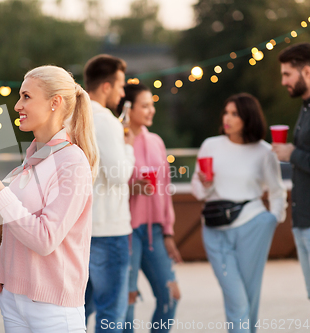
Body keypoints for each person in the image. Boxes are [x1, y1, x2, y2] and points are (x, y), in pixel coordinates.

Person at [0, 65, 97, 332]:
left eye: (26, 97)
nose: (17, 105)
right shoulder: (34, 158)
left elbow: (45, 238)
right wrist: (2, 262)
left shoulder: (72, 162)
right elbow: (20, 218)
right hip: (13, 298)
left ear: (54, 103)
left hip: (53, 308)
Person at [191, 93, 287, 333]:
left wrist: (272, 219)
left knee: (250, 293)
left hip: (253, 226)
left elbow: (277, 191)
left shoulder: (264, 152)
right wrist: (205, 183)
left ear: (248, 118)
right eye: (226, 112)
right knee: (237, 297)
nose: (227, 118)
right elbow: (198, 191)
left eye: (234, 114)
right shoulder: (210, 145)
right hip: (214, 229)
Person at [115, 83, 181, 333]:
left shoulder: (156, 141)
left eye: (152, 105)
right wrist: (133, 187)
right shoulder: (117, 141)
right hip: (126, 231)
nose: (151, 110)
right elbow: (108, 185)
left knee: (171, 295)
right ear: (128, 109)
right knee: (127, 301)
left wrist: (169, 232)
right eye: (145, 106)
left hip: (155, 231)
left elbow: (165, 188)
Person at [83, 54, 135, 333]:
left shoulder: (72, 116)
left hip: (81, 228)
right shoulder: (106, 120)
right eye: (120, 85)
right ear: (105, 86)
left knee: (79, 311)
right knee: (111, 313)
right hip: (109, 230)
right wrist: (128, 147)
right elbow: (119, 175)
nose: (123, 92)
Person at [274, 42, 310, 301]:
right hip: (302, 221)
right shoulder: (305, 108)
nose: (283, 81)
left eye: (287, 74)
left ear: (307, 72)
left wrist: (292, 154)